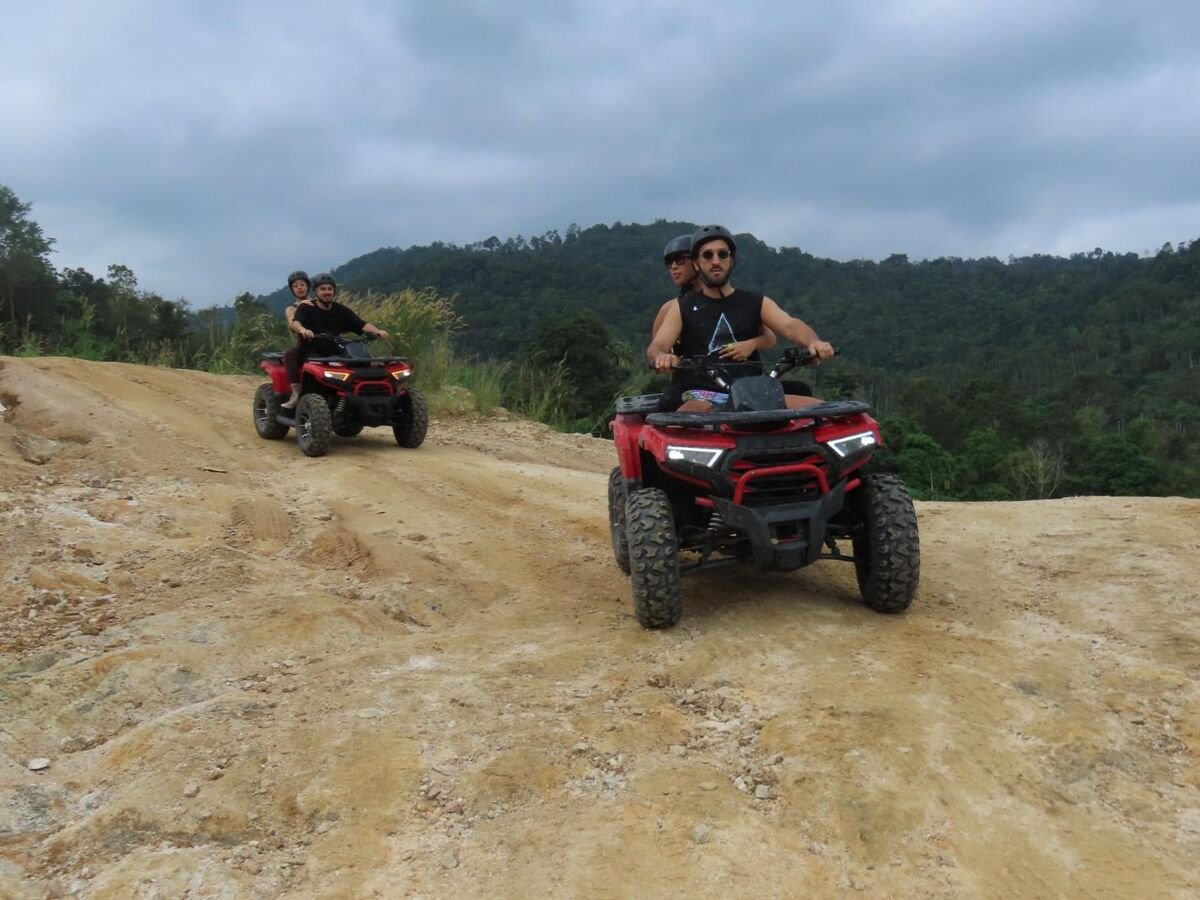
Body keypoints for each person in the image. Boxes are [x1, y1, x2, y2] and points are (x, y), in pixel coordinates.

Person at [647, 225, 833, 412]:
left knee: (825, 413)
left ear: (731, 260)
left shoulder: (756, 302)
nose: (716, 261)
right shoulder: (680, 307)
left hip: (753, 392)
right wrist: (662, 357)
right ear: (697, 263)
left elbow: (790, 326)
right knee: (670, 417)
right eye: (707, 255)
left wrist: (814, 342)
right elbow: (658, 346)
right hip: (700, 393)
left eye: (722, 254)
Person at [281, 273, 390, 409]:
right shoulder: (304, 307)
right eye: (323, 289)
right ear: (316, 291)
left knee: (363, 364)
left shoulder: (340, 309)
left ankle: (368, 397)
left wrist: (377, 331)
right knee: (290, 354)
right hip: (311, 351)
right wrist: (303, 330)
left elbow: (361, 324)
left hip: (336, 350)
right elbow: (295, 323)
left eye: (329, 289)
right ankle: (296, 393)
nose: (327, 292)